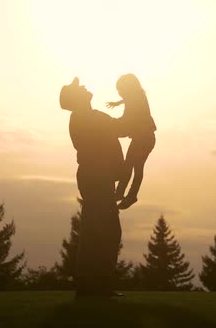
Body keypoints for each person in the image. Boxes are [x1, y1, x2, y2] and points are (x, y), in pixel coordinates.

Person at [60, 77, 128, 298]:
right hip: (96, 178)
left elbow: (119, 129)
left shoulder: (88, 117)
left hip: (97, 178)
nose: (84, 87)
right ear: (76, 98)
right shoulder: (86, 118)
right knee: (101, 231)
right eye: (79, 88)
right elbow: (122, 128)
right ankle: (93, 287)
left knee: (100, 231)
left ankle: (95, 286)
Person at [106, 73, 157, 210]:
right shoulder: (138, 96)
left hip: (143, 138)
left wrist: (111, 127)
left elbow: (126, 122)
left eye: (120, 90)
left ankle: (125, 193)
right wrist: (118, 102)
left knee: (132, 166)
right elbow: (129, 101)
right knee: (134, 166)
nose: (119, 93)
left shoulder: (134, 100)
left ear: (127, 88)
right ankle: (124, 193)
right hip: (144, 138)